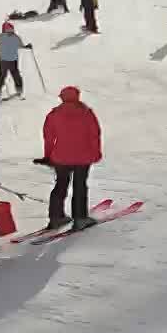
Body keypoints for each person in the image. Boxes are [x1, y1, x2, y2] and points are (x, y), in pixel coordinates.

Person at [41, 86, 103, 231]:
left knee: (60, 185)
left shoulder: (54, 114)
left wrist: (48, 155)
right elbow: (95, 135)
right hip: (83, 157)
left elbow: (48, 137)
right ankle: (80, 219)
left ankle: (56, 218)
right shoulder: (86, 113)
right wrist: (96, 153)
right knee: (79, 186)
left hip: (61, 157)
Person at [0, 22, 28, 96]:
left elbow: (20, 45)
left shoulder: (11, 37)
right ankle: (0, 89)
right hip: (8, 59)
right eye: (9, 29)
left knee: (9, 75)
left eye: (11, 29)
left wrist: (26, 46)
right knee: (8, 74)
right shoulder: (5, 37)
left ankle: (17, 89)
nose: (10, 31)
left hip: (9, 59)